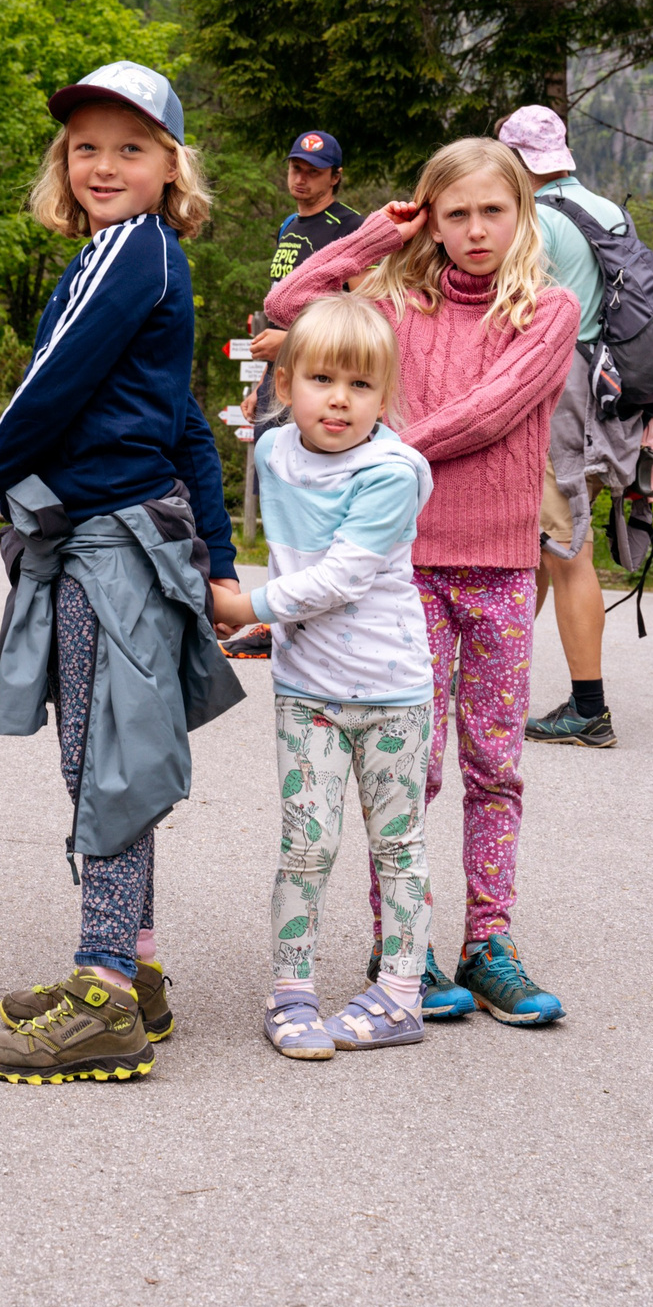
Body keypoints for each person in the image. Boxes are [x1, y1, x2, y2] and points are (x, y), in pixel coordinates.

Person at [0, 61, 246, 1084]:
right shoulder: (125, 259)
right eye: (85, 147)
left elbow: (48, 390)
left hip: (113, 542)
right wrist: (219, 559)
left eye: (131, 147)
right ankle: (138, 971)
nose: (103, 164)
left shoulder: (132, 254)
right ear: (61, 164)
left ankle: (106, 990)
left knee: (105, 760)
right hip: (109, 532)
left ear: (171, 166)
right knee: (96, 751)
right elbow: (186, 426)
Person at [266, 136, 578, 1026]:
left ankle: (490, 942)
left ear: (523, 214)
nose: (476, 230)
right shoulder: (395, 303)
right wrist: (369, 236)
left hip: (502, 570)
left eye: (494, 211)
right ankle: (403, 943)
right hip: (404, 572)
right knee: (414, 767)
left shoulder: (546, 311)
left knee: (496, 761)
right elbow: (290, 305)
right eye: (456, 213)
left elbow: (492, 412)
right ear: (431, 221)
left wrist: (382, 454)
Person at [207, 295, 435, 1059]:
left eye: (362, 385)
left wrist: (249, 605)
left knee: (398, 846)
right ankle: (291, 988)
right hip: (308, 695)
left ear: (385, 395)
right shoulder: (273, 452)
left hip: (394, 694)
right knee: (305, 845)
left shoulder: (393, 471)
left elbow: (340, 577)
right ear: (286, 385)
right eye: (321, 378)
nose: (339, 398)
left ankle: (402, 994)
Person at [500, 105, 639, 750]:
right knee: (532, 546)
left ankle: (589, 710)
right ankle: (478, 676)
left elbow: (512, 314)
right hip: (603, 387)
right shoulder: (608, 211)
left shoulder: (536, 221)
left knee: (564, 547)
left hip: (557, 387)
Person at [224, 130, 363, 661]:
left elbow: (362, 313)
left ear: (335, 175)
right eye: (294, 167)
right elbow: (281, 312)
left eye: (313, 169)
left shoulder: (349, 226)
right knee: (276, 492)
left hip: (320, 379)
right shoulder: (287, 226)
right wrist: (264, 382)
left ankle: (311, 615)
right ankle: (275, 617)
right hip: (279, 378)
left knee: (313, 496)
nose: (300, 177)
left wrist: (294, 344)